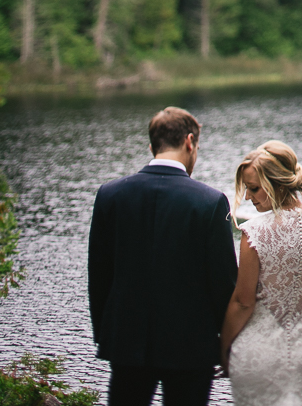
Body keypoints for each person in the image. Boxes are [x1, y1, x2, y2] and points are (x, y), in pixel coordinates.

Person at [88, 107, 238, 406]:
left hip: (125, 341)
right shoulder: (210, 202)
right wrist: (226, 343)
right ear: (190, 142)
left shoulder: (110, 194)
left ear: (152, 146)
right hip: (191, 346)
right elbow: (223, 282)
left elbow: (99, 274)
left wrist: (106, 334)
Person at [220, 141, 302, 406]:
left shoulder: (254, 232)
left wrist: (223, 348)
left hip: (257, 356)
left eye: (254, 189)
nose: (250, 198)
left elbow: (243, 302)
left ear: (276, 183)